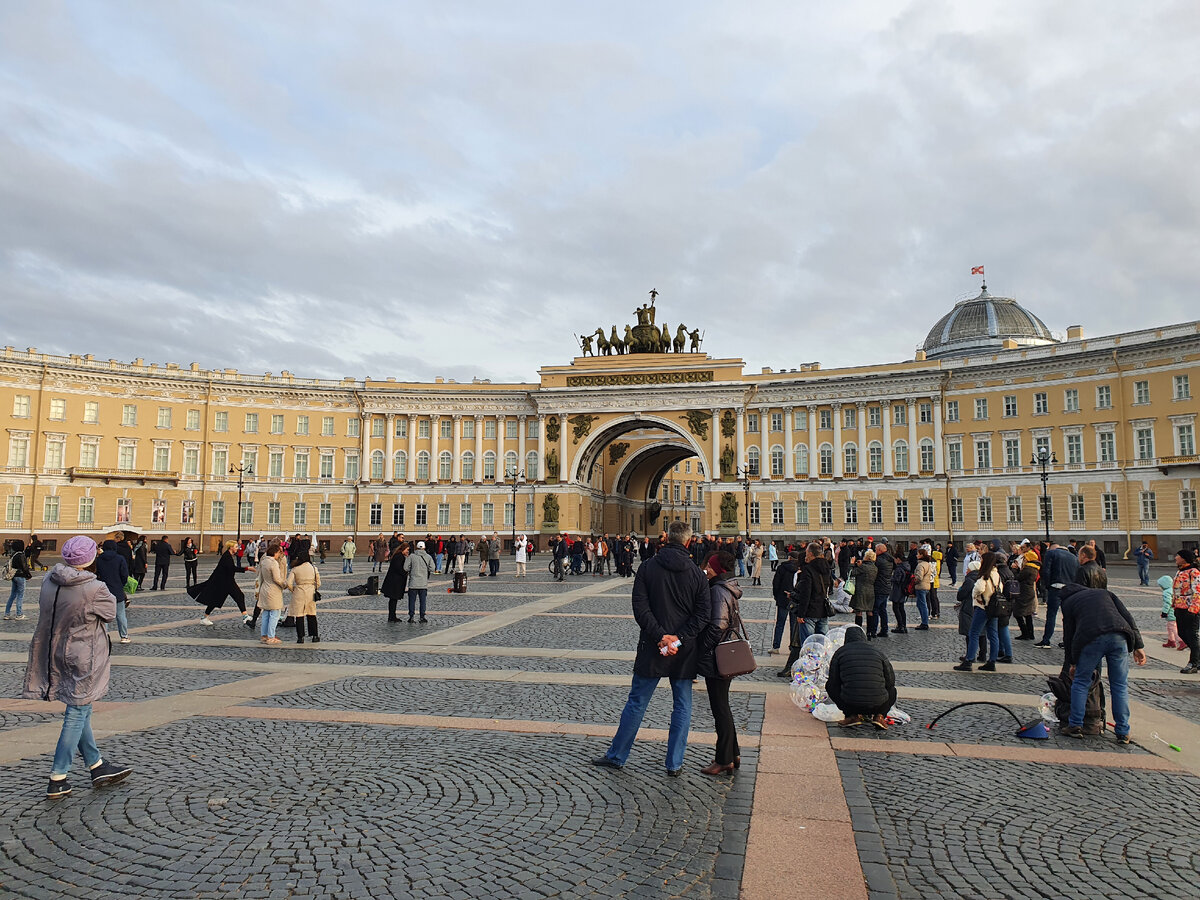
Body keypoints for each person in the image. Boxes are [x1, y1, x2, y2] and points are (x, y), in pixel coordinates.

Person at [594, 521, 711, 775]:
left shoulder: (648, 567)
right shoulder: (696, 574)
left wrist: (660, 637)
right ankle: (674, 763)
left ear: (666, 538)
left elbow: (640, 608)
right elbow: (703, 616)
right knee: (682, 705)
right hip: (684, 650)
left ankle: (617, 755)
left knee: (637, 702)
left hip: (651, 646)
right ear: (689, 541)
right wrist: (677, 639)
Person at [22, 535, 133, 799]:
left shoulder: (49, 580)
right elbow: (109, 614)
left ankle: (96, 764)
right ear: (91, 558)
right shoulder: (94, 588)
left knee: (81, 707)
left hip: (55, 650)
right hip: (84, 653)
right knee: (77, 710)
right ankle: (58, 776)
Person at [1059, 583, 1146, 742]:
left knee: (1081, 681)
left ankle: (1075, 725)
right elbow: (1128, 617)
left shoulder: (1068, 603)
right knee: (1119, 685)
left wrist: (1072, 663)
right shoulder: (1104, 593)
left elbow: (1069, 635)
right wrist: (1138, 646)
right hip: (1119, 636)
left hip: (1090, 639)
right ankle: (1123, 731)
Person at [696, 550, 744, 775]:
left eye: (708, 566)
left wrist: (701, 648)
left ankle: (723, 759)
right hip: (725, 653)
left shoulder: (717, 591)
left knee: (720, 708)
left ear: (716, 568)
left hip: (718, 656)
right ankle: (733, 753)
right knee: (722, 705)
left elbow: (717, 625)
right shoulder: (726, 588)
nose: (706, 570)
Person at [827, 625, 897, 729]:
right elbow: (891, 681)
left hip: (850, 703)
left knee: (829, 686)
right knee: (892, 690)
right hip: (878, 704)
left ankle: (851, 715)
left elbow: (833, 681)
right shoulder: (877, 652)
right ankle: (880, 716)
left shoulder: (840, 652)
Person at [778, 542, 832, 676]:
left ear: (811, 554)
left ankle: (807, 673)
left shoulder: (808, 570)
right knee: (821, 644)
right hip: (823, 611)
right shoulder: (826, 568)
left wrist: (801, 614)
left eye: (807, 552)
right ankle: (820, 672)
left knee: (808, 646)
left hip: (810, 612)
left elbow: (806, 593)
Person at [955, 552, 1001, 672]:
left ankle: (969, 660)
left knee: (974, 633)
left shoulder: (984, 575)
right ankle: (992, 661)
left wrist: (975, 596)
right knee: (993, 634)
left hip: (983, 606)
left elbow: (979, 588)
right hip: (994, 607)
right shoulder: (996, 574)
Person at [188, 541, 253, 627]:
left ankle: (245, 616)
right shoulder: (226, 557)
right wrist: (247, 568)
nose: (238, 548)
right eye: (236, 547)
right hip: (224, 582)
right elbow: (232, 568)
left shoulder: (228, 555)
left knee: (237, 596)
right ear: (231, 547)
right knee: (228, 598)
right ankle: (204, 618)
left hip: (226, 581)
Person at [1035, 539, 1080, 649]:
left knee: (1051, 615)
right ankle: (1067, 641)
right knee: (1068, 617)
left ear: (1052, 548)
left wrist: (1047, 585)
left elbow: (1046, 570)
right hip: (1070, 589)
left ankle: (1046, 641)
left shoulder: (1051, 553)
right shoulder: (1074, 557)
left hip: (1056, 587)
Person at [95, 540, 131, 643]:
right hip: (117, 589)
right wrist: (121, 584)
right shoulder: (120, 559)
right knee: (121, 615)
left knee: (104, 614)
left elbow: (96, 574)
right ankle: (124, 636)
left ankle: (104, 635)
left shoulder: (99, 559)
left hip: (103, 589)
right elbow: (124, 574)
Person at [1171, 549, 1200, 674]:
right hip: (1179, 607)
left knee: (1192, 635)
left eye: (1178, 555)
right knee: (1182, 634)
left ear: (1184, 558)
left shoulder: (1194, 572)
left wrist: (1193, 609)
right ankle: (1197, 657)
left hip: (1190, 609)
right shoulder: (1180, 571)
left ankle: (1193, 662)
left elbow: (1197, 591)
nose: (1176, 557)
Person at [287, 543, 322, 644]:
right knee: (311, 614)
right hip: (310, 591)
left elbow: (289, 583)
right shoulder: (313, 568)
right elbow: (319, 583)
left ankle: (300, 637)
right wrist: (314, 587)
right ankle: (315, 636)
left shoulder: (295, 569)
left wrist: (293, 589)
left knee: (299, 615)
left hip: (299, 591)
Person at [255, 541, 288, 645]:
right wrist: (285, 584)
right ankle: (271, 636)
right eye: (279, 552)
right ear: (275, 552)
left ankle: (264, 635)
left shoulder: (264, 561)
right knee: (275, 614)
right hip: (273, 590)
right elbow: (277, 578)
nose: (279, 555)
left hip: (264, 588)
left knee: (266, 613)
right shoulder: (273, 562)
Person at [770, 551, 800, 654]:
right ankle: (792, 647)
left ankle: (776, 646)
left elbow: (776, 583)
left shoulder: (782, 568)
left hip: (783, 598)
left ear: (789, 558)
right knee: (793, 624)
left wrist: (776, 596)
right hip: (795, 599)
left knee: (780, 623)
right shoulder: (800, 569)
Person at [404, 540, 435, 623]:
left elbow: (405, 568)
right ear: (424, 547)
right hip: (423, 583)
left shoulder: (411, 556)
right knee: (423, 601)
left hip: (413, 583)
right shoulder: (428, 557)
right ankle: (422, 617)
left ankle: (411, 617)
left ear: (416, 547)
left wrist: (411, 570)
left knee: (411, 601)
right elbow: (433, 568)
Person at [3, 538, 33, 620]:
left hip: (14, 576)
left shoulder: (14, 555)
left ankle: (7, 614)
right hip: (21, 576)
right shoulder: (21, 555)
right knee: (20, 595)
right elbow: (24, 567)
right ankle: (19, 614)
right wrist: (28, 575)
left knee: (12, 595)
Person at [1014, 550, 1040, 640]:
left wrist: (1016, 569)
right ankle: (1030, 633)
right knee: (1028, 613)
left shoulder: (1027, 569)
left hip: (1024, 592)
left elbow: (1018, 578)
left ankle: (1025, 632)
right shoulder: (1034, 568)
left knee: (1018, 613)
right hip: (1029, 591)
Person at [849, 549, 877, 633]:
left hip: (861, 590)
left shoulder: (863, 567)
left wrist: (851, 564)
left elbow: (851, 573)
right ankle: (870, 632)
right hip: (871, 590)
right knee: (869, 611)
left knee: (859, 611)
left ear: (867, 557)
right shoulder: (875, 568)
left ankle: (859, 631)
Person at [870, 543, 894, 639]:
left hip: (879, 587)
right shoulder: (890, 559)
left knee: (875, 610)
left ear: (880, 550)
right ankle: (884, 629)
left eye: (876, 550)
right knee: (883, 610)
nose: (875, 551)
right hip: (886, 586)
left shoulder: (879, 560)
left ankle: (873, 631)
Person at [383, 543, 411, 622]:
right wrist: (405, 573)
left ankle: (392, 616)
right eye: (407, 550)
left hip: (394, 581)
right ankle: (392, 617)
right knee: (393, 599)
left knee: (393, 600)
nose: (408, 551)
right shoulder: (399, 557)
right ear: (403, 549)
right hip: (394, 582)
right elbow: (398, 568)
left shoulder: (398, 556)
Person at [912, 547, 934, 630]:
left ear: (921, 555)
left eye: (918, 554)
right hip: (926, 586)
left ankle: (924, 622)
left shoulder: (921, 565)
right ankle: (924, 621)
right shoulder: (927, 564)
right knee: (921, 604)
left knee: (922, 605)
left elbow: (919, 577)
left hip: (921, 586)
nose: (917, 555)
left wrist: (914, 581)